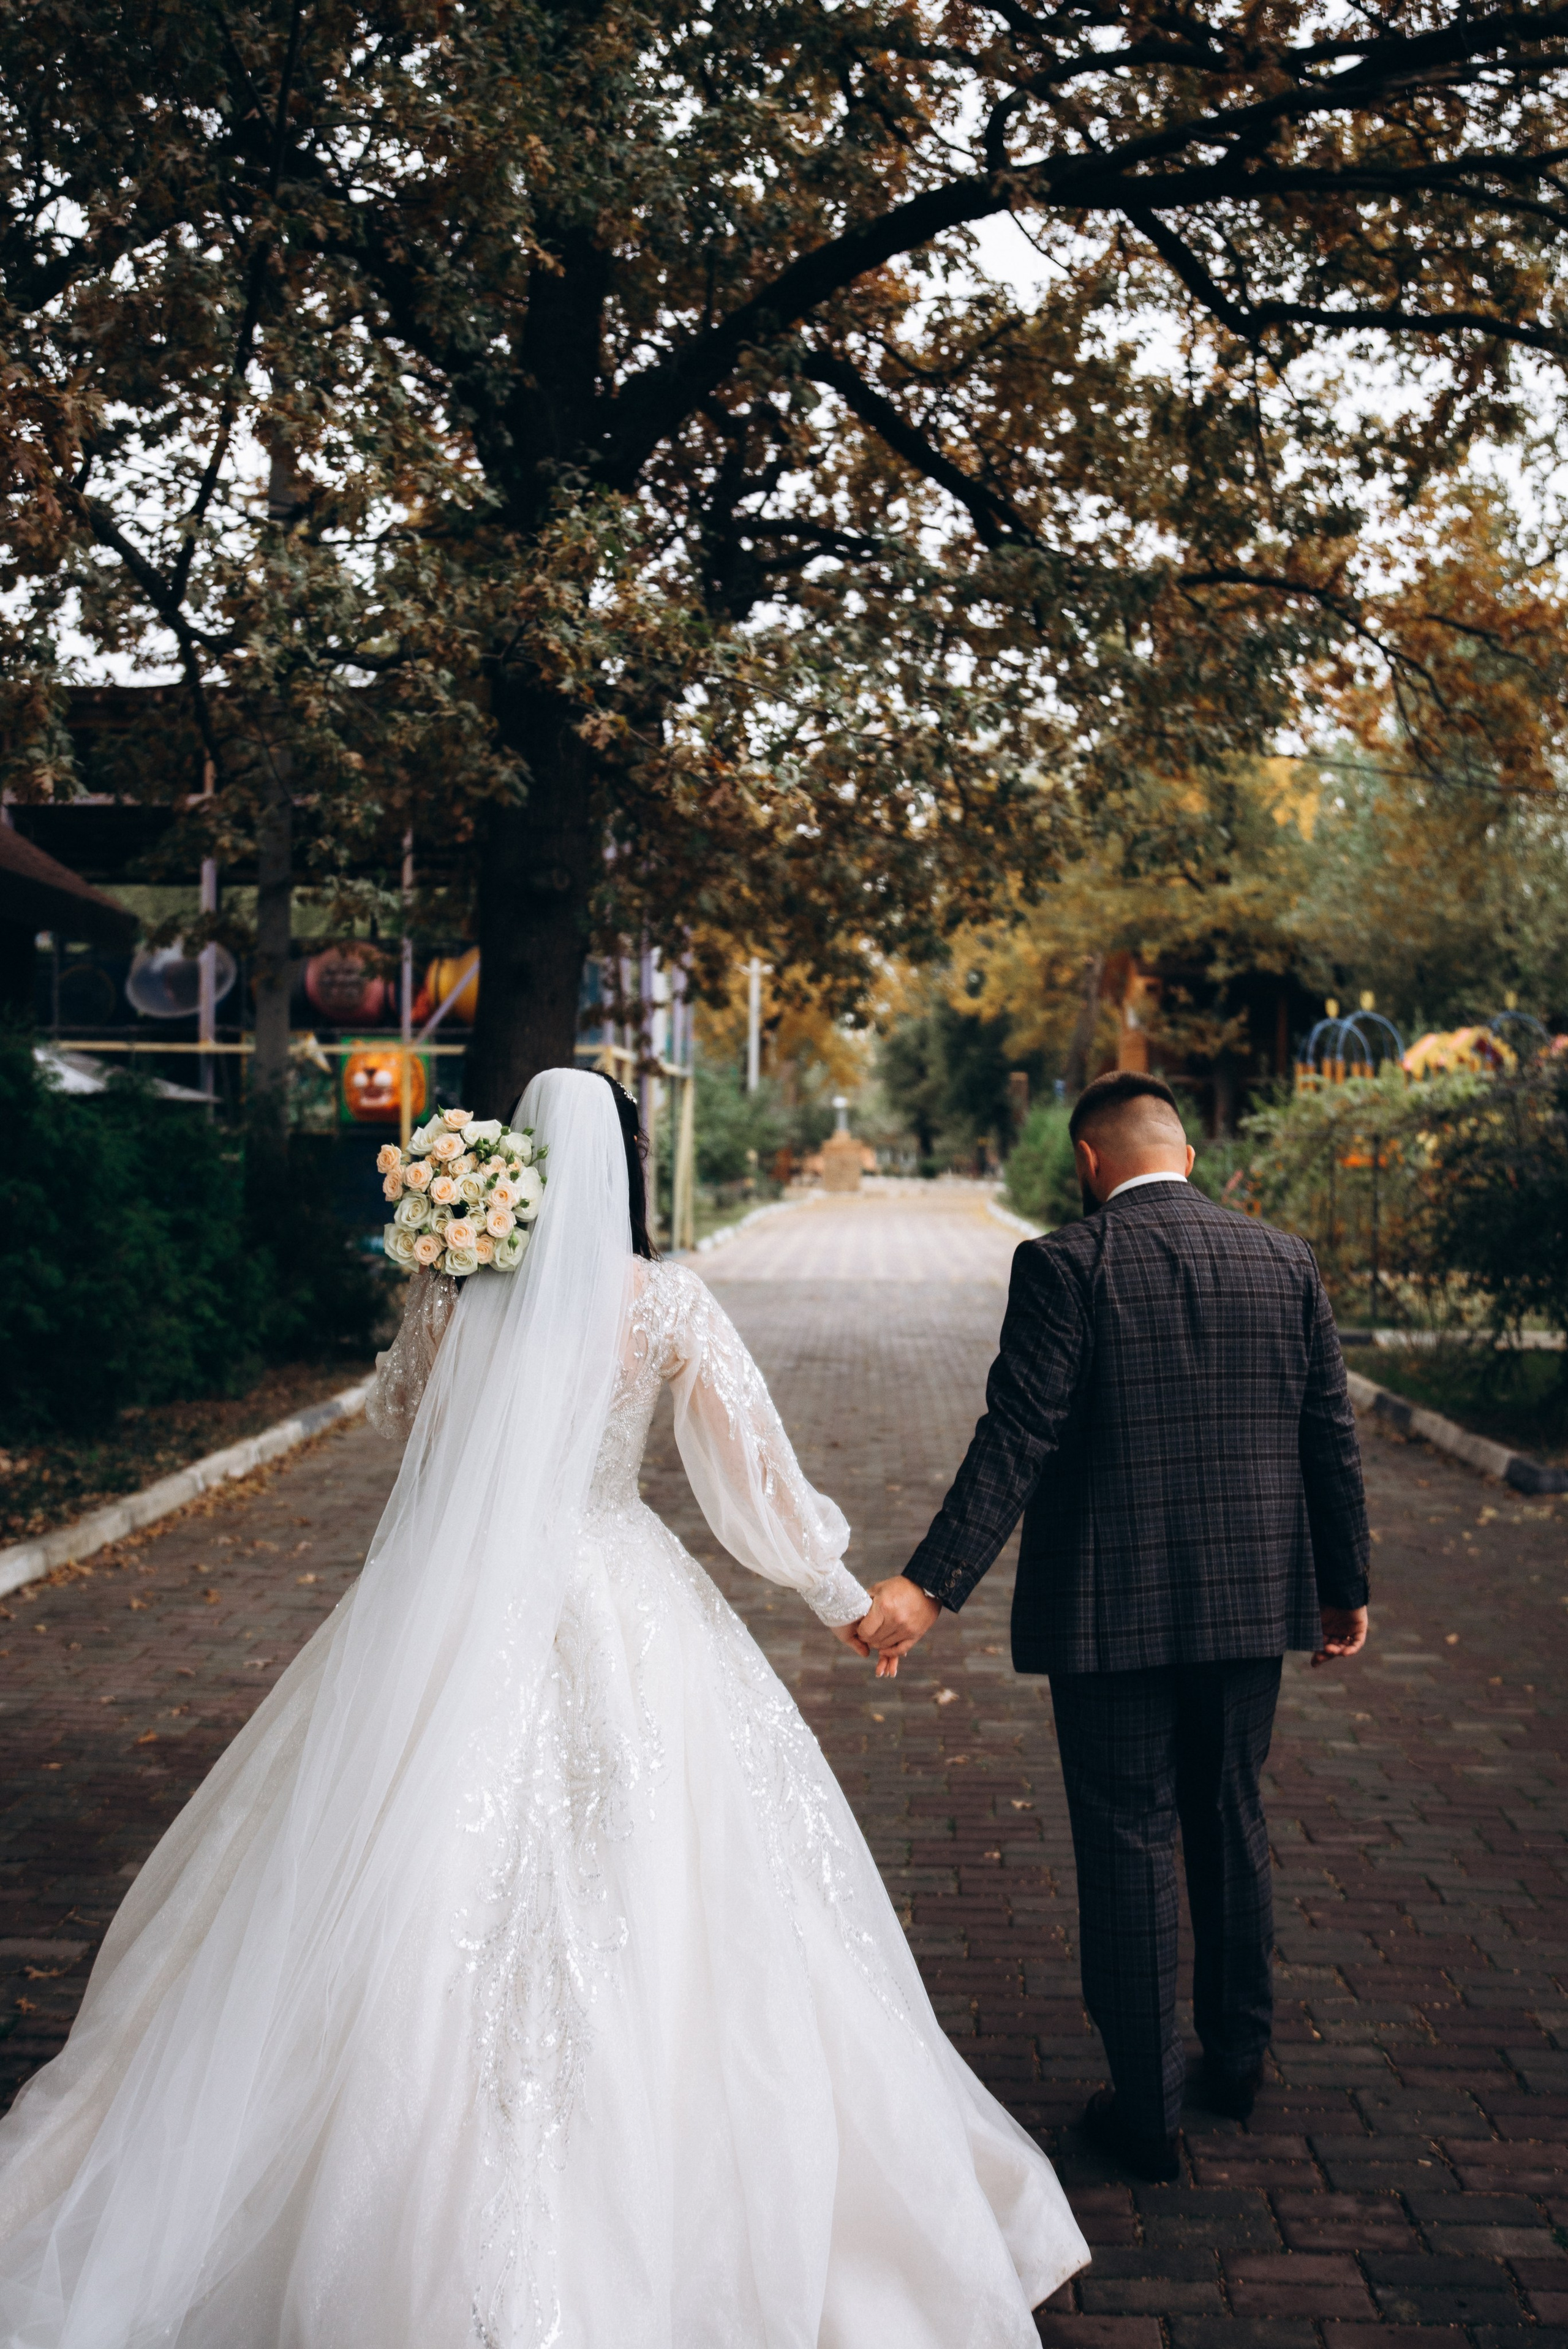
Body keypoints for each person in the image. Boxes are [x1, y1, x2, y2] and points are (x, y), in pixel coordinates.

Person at [0, 1066, 1088, 2347]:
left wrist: (445, 1296)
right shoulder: (668, 1303)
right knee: (663, 1867)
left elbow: (403, 1419)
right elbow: (753, 1479)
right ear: (627, 1163)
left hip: (449, 1600)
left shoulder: (454, 1293)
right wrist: (848, 1596)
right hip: (615, 1577)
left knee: (398, 1858)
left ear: (507, 1164)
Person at [857, 1069, 1371, 2182]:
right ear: (1185, 1152)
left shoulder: (1065, 1263)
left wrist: (927, 1587)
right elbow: (1328, 1432)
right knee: (1230, 1816)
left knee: (1130, 1840)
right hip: (1247, 1609)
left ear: (1090, 1162)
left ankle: (1148, 2113)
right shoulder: (1283, 1260)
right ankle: (1237, 2063)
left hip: (1110, 1614)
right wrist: (1346, 1584)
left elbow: (1019, 1437)